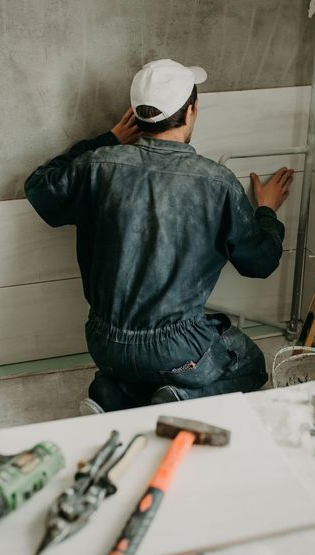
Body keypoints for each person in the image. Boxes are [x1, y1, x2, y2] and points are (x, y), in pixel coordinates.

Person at [25, 59, 293, 413]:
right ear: (192, 111)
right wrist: (267, 211)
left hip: (105, 342)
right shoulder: (215, 182)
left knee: (143, 365)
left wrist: (108, 139)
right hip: (176, 350)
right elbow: (260, 262)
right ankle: (182, 397)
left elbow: (39, 188)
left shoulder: (98, 165)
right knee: (249, 363)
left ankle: (112, 393)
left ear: (137, 116)